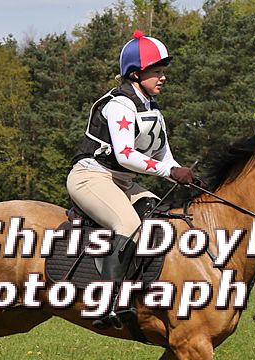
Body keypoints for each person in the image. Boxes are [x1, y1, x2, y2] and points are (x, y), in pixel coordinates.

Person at [67, 30, 198, 329]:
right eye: (156, 72)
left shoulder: (152, 109)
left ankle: (142, 292)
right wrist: (168, 172)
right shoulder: (120, 105)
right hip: (90, 177)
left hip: (121, 183)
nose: (163, 77)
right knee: (128, 224)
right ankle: (107, 303)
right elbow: (125, 155)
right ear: (136, 74)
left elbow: (165, 157)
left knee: (162, 218)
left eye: (163, 71)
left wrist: (185, 175)